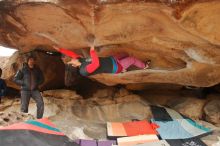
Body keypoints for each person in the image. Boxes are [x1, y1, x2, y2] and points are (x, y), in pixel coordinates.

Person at [53, 46, 151, 76]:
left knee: (124, 54)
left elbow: (71, 53)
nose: (73, 59)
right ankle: (144, 66)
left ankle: (125, 68)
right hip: (116, 67)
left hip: (112, 60)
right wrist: (92, 51)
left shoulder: (80, 60)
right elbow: (96, 63)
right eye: (72, 62)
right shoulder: (84, 70)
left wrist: (60, 49)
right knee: (132, 59)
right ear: (74, 66)